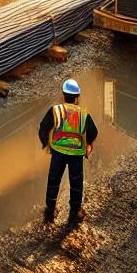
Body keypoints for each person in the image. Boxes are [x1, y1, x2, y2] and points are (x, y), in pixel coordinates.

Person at [37, 78, 98, 228]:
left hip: (58, 152)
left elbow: (43, 128)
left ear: (64, 95)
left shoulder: (55, 110)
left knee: (53, 181)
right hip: (76, 154)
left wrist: (46, 144)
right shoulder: (84, 114)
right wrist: (89, 144)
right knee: (76, 183)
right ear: (77, 97)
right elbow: (93, 132)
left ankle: (50, 212)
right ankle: (74, 213)